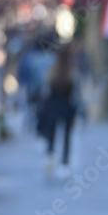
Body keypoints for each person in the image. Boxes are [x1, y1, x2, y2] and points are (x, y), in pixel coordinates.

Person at [40, 46, 79, 177]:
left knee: (51, 134)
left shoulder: (51, 72)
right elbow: (77, 95)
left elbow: (44, 91)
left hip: (52, 108)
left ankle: (50, 156)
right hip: (67, 108)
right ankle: (64, 164)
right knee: (67, 137)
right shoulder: (73, 73)